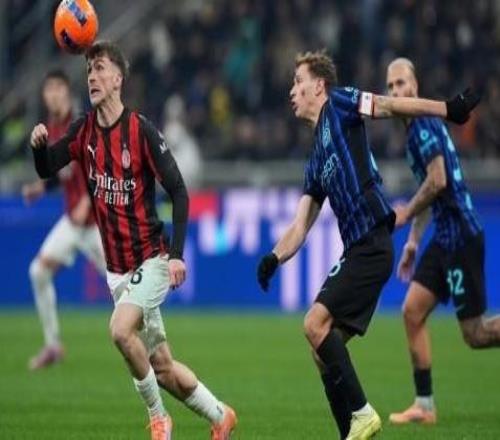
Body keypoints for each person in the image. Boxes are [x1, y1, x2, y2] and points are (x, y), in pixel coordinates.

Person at [256, 50, 479, 440]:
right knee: (321, 349)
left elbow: (390, 105)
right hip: (359, 249)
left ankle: (361, 413)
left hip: (372, 242)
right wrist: (273, 257)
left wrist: (448, 109)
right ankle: (350, 432)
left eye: (298, 81)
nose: (292, 91)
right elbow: (300, 225)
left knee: (313, 324)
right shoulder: (315, 159)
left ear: (319, 86)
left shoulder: (340, 104)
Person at [29, 40, 236, 440]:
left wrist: (176, 255)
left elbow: (179, 191)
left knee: (120, 331)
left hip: (151, 259)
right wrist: (39, 149)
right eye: (88, 70)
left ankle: (159, 419)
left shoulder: (141, 131)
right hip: (117, 271)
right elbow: (48, 167)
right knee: (163, 367)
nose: (92, 76)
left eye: (100, 68)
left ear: (118, 79)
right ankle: (220, 415)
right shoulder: (83, 130)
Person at [385, 58, 498, 426]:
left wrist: (405, 213)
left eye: (402, 83)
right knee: (412, 312)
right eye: (390, 86)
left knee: (476, 334)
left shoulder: (422, 126)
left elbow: (437, 181)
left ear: (415, 86)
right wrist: (413, 243)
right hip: (445, 236)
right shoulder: (416, 128)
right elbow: (430, 190)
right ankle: (424, 405)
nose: (396, 91)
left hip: (460, 234)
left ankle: (425, 404)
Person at [22, 69, 106, 371]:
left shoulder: (83, 123)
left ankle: (153, 349)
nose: (54, 94)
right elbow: (65, 171)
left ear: (68, 92)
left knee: (124, 287)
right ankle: (53, 345)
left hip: (97, 223)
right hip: (73, 222)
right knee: (38, 271)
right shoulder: (52, 128)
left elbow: (101, 166)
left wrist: (87, 199)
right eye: (49, 89)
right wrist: (42, 188)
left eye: (59, 88)